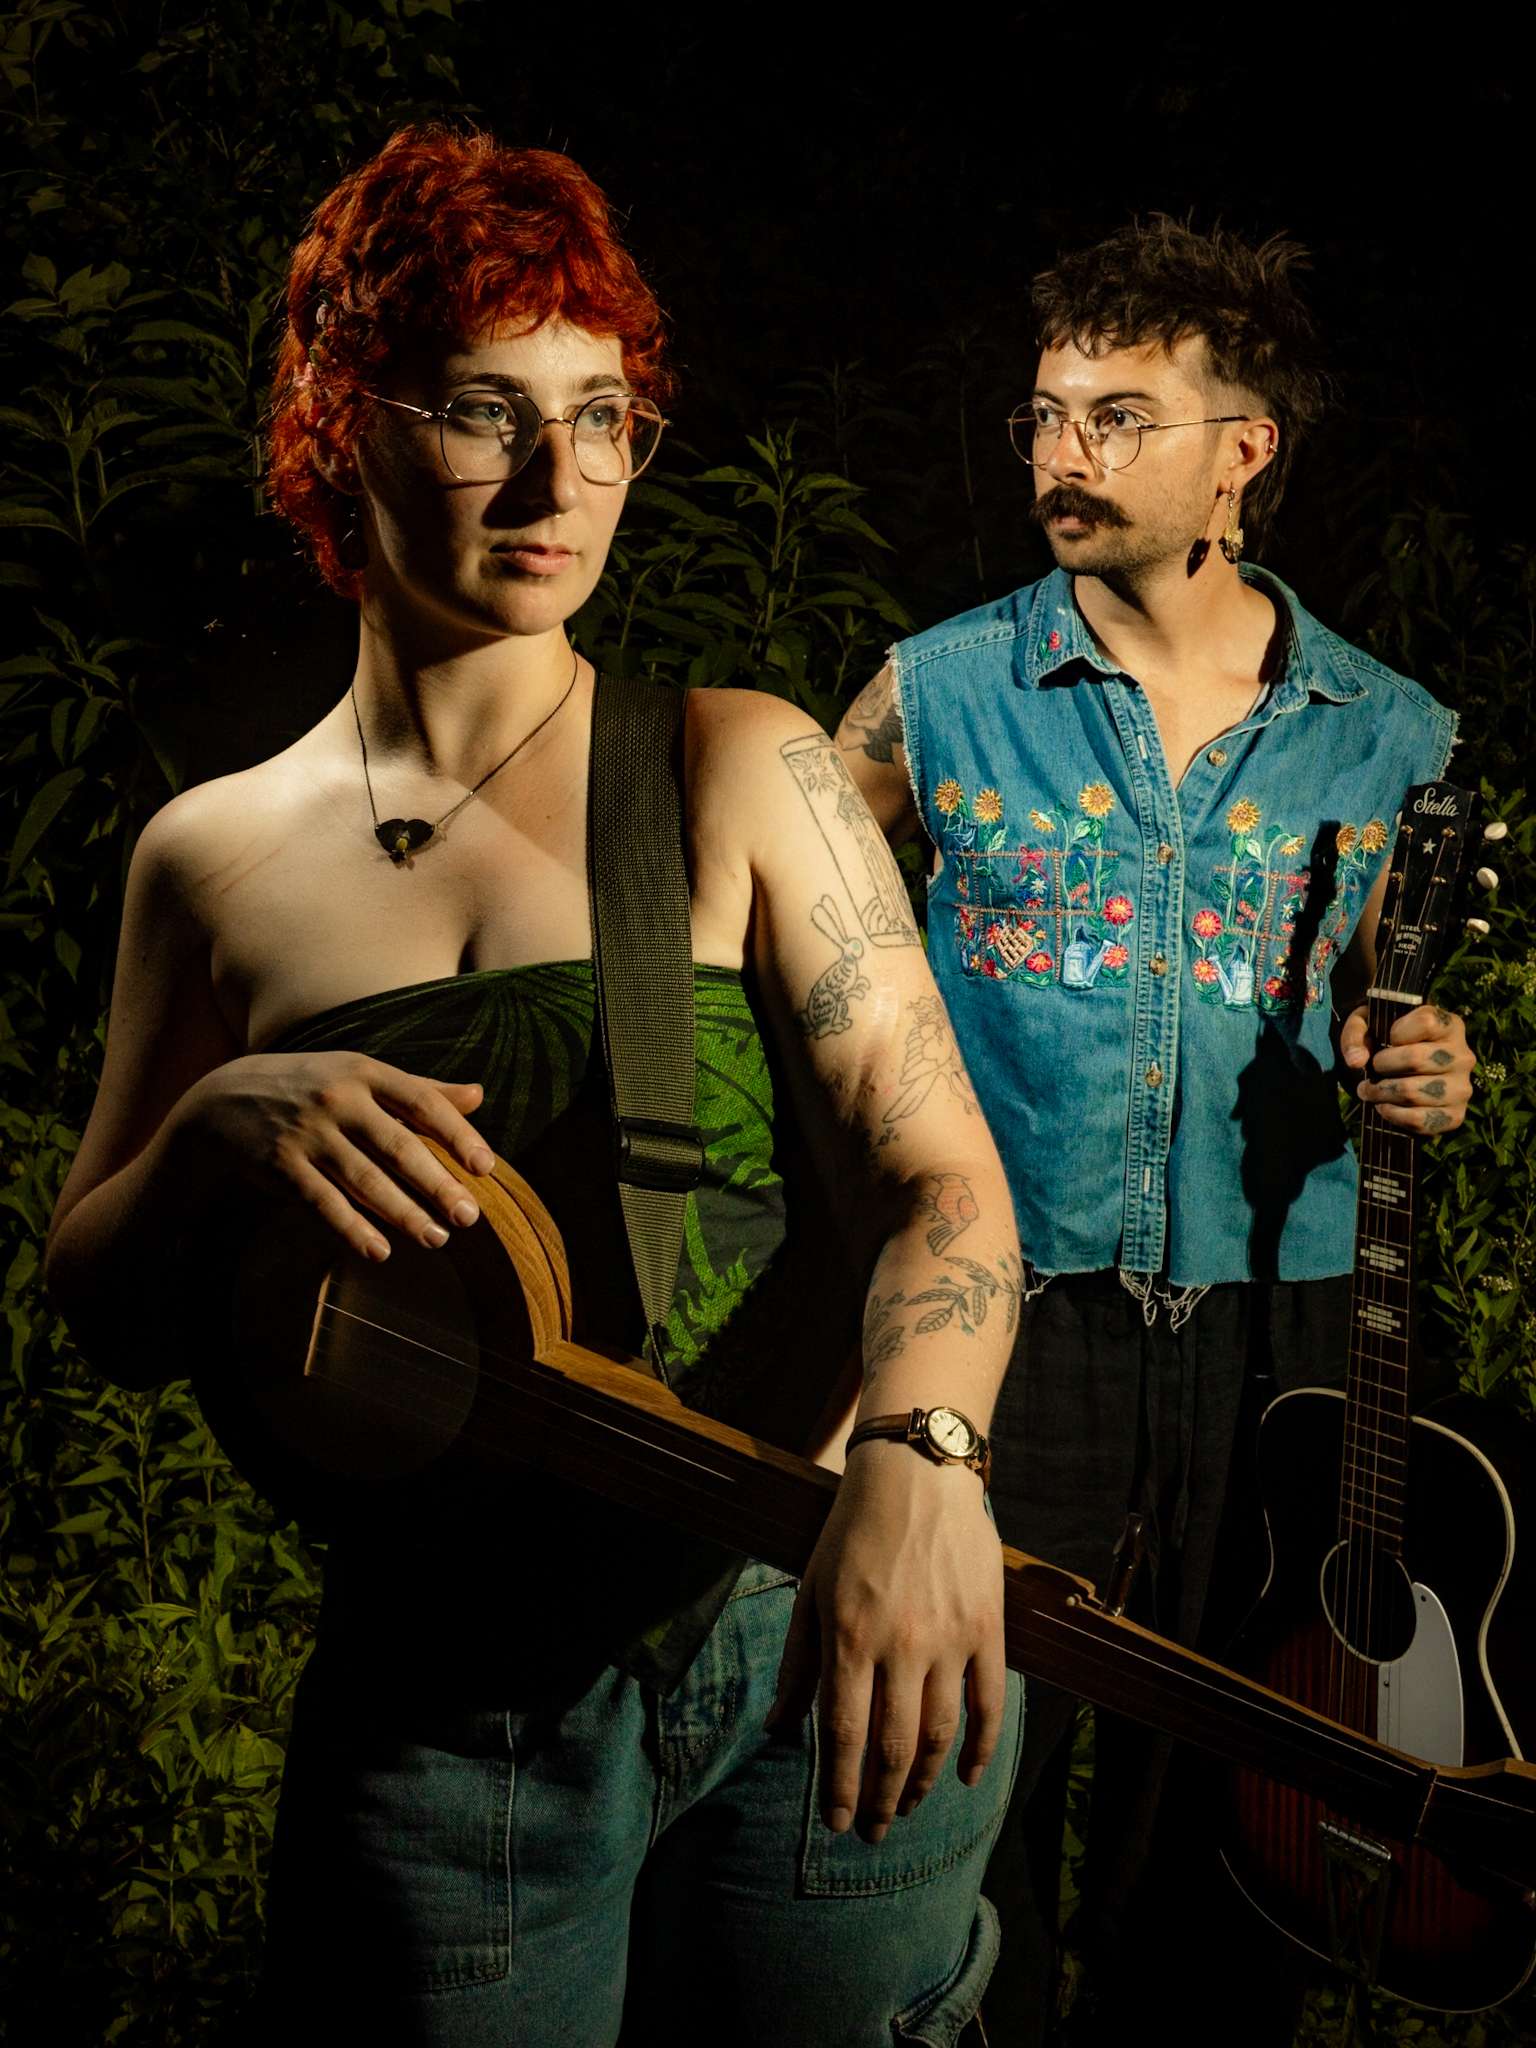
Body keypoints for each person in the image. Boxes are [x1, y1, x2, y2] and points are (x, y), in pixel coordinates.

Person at [44, 126, 1026, 2046]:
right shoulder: (213, 859)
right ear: (344, 425)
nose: (558, 480)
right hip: (445, 1706)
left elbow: (945, 1186)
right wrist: (214, 1130)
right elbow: (102, 1299)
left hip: (817, 1642)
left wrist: (922, 1470)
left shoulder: (740, 767)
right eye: (487, 410)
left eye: (602, 418)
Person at [836, 219, 1478, 2041]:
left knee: (1225, 1835)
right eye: (1047, 415)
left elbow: (1399, 1006)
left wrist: (1429, 1063)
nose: (1064, 452)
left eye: (1119, 418)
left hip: (1285, 1339)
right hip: (1006, 1317)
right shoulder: (937, 692)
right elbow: (779, 941)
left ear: (1242, 451)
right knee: (948, 1784)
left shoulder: (1389, 733)